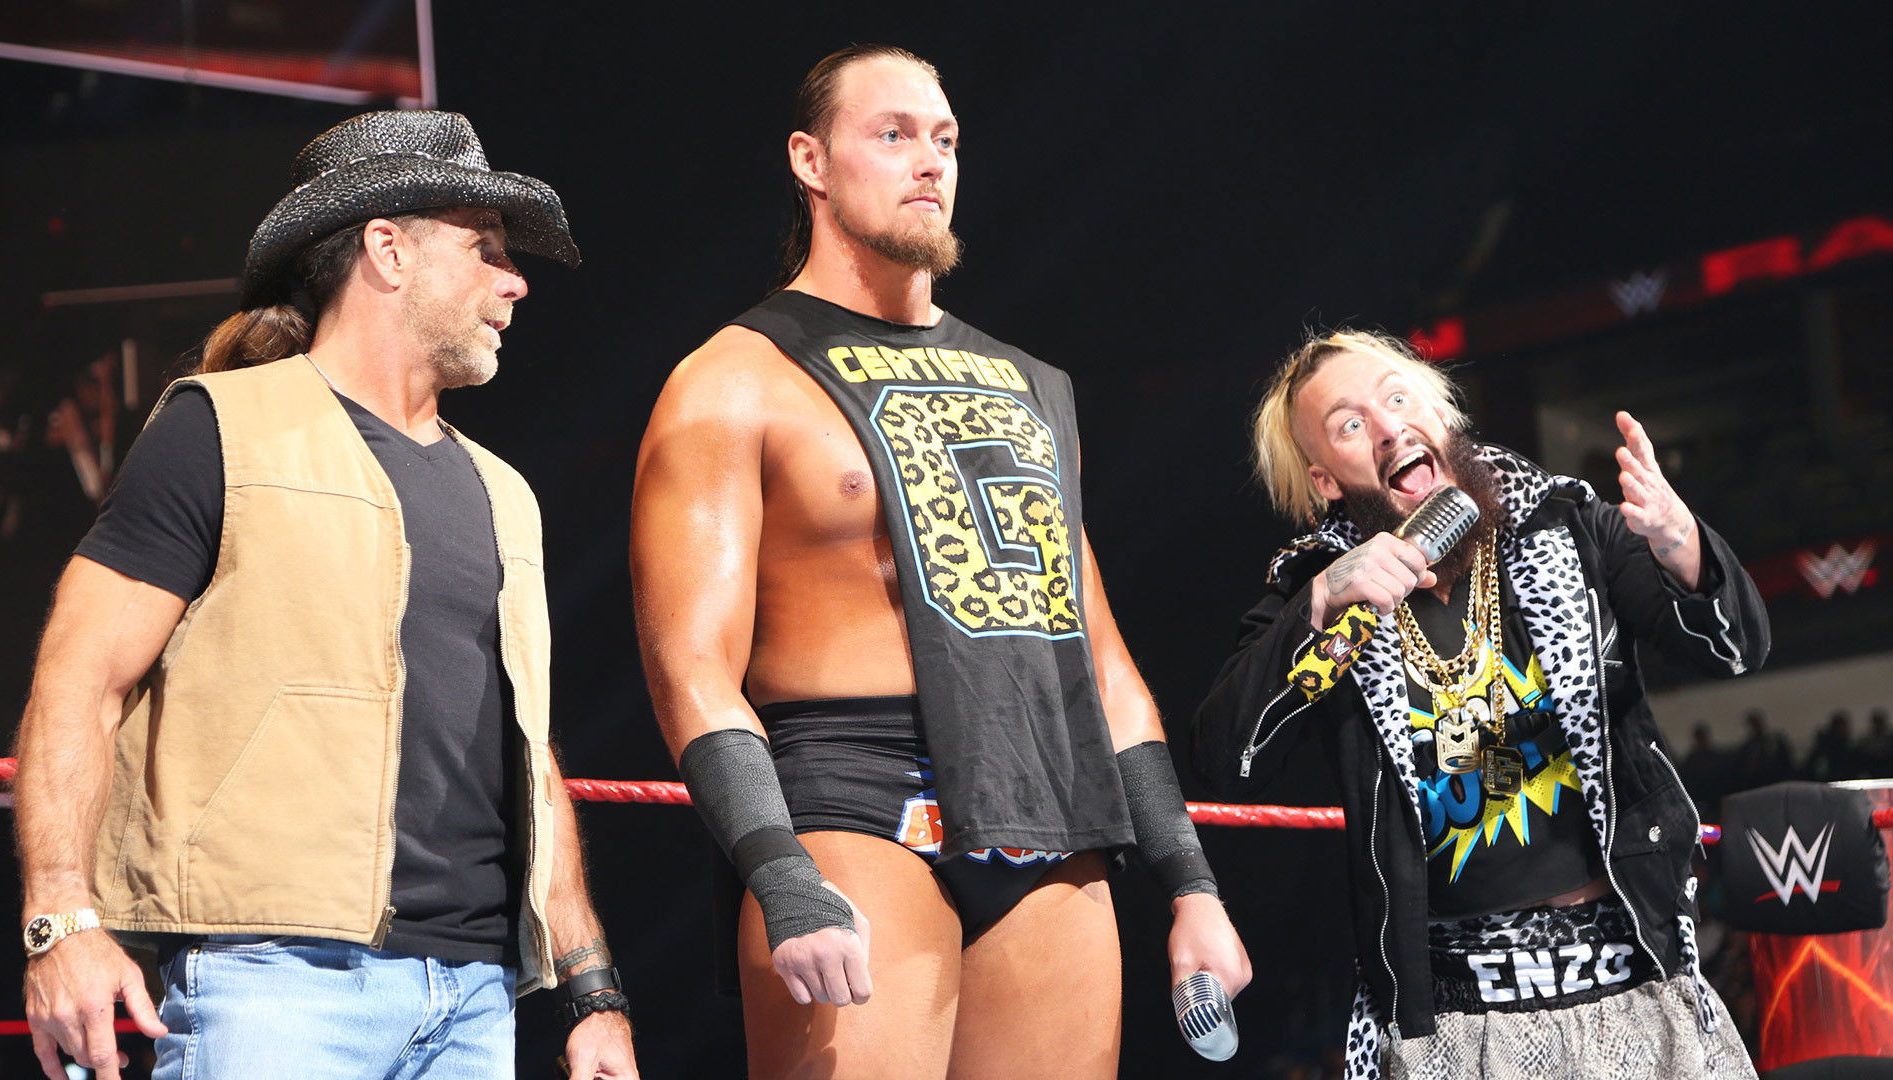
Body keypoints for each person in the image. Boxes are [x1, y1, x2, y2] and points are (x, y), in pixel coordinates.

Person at [632, 44, 1249, 1078]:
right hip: (851, 804)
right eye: (893, 134)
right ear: (811, 161)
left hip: (1044, 801)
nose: (930, 161)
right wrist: (778, 869)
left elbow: (1100, 662)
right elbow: (689, 665)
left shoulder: (1030, 386)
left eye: (946, 139)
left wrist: (1191, 885)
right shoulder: (735, 380)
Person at [11, 111, 638, 1080]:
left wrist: (592, 989)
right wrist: (60, 919)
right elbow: (78, 680)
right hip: (274, 980)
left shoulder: (505, 494)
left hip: (474, 998)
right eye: (487, 248)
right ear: (388, 250)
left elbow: (529, 758)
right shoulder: (220, 429)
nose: (516, 281)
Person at [1190, 330, 1768, 1079]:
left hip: (1636, 983)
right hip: (1458, 1025)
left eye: (1399, 399)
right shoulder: (1321, 592)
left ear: (1441, 414)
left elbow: (1736, 649)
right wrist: (1322, 601)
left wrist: (1678, 537)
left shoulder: (1567, 526)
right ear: (1326, 480)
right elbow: (1225, 762)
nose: (1389, 427)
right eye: (1351, 424)